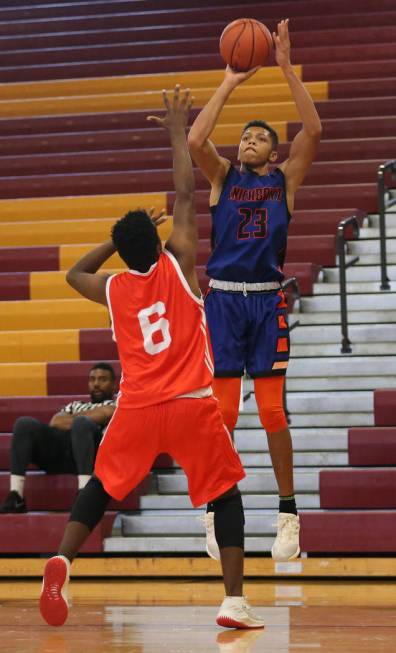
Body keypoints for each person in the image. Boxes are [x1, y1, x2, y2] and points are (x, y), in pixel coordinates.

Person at [39, 86, 264, 631]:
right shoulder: (181, 264)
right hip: (189, 402)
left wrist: (117, 243)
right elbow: (186, 194)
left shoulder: (114, 289)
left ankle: (63, 559)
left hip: (136, 408)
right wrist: (174, 132)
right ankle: (233, 601)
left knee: (101, 486)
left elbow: (73, 275)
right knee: (226, 495)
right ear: (156, 242)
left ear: (125, 252)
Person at [188, 19, 322, 561]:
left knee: (271, 414)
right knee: (221, 414)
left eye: (260, 137)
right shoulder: (222, 177)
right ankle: (216, 509)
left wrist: (286, 68)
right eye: (246, 134)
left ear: (272, 153)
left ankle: (288, 514)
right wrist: (229, 81)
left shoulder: (282, 182)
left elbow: (312, 133)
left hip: (266, 300)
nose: (248, 140)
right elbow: (196, 139)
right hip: (222, 300)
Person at [0, 363, 116, 513]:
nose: (96, 384)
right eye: (92, 379)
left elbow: (107, 413)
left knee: (82, 424)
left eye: (102, 379)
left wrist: (74, 420)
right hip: (61, 454)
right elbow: (55, 422)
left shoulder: (118, 404)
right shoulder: (75, 404)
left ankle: (85, 496)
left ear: (114, 385)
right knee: (24, 424)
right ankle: (16, 496)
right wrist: (94, 416)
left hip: (93, 457)